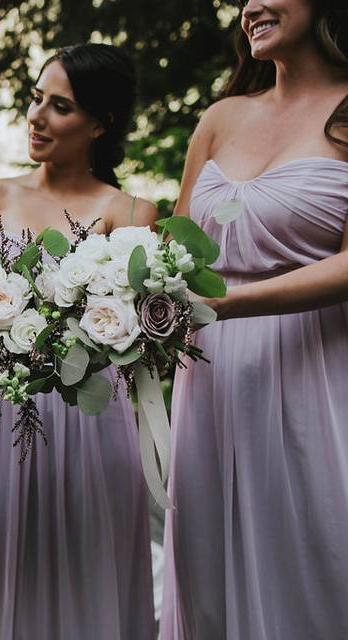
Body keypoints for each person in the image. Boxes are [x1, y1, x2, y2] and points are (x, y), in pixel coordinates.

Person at [161, 1, 348, 638]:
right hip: (208, 384)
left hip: (314, 378)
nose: (250, 6)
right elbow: (175, 246)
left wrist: (232, 305)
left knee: (314, 563)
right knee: (207, 577)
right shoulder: (221, 118)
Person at [0, 43, 157, 640]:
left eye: (60, 106)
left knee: (91, 570)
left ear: (100, 124)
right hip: (4, 415)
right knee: (3, 576)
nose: (37, 116)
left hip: (95, 422)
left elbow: (136, 336)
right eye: (36, 99)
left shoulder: (131, 211)